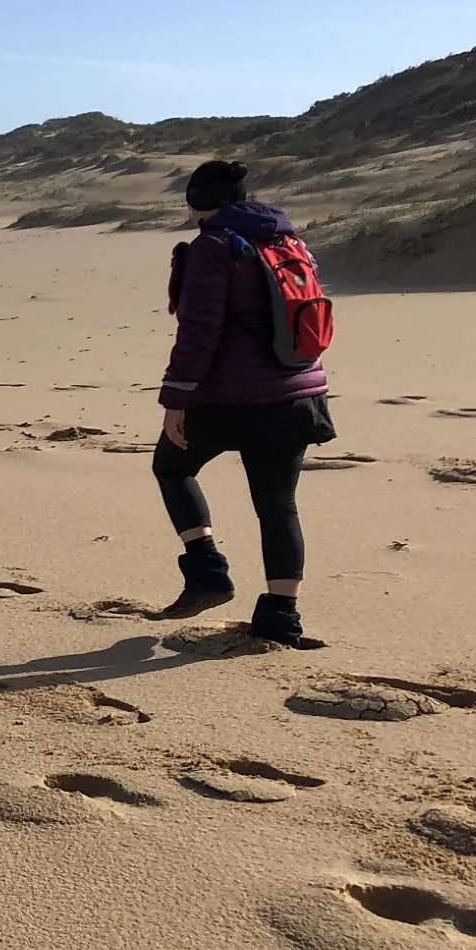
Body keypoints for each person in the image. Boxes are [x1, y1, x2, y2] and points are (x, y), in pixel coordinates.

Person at [150, 160, 335, 646]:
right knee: (278, 506)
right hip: (298, 394)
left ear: (196, 203)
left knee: (172, 467)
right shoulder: (288, 241)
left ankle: (207, 570)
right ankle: (281, 617)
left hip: (230, 397)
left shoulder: (212, 248)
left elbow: (198, 333)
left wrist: (176, 399)